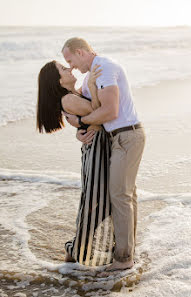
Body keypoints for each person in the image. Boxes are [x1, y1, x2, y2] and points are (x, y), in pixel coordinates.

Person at [61, 37, 145, 273]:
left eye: (70, 60)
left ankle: (124, 257)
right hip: (116, 139)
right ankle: (126, 250)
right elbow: (84, 104)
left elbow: (110, 110)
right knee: (125, 195)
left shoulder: (104, 68)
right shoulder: (90, 76)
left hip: (127, 136)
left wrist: (80, 121)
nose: (71, 66)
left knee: (120, 196)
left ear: (80, 52)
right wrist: (79, 129)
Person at [36, 60, 115, 267]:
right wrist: (95, 84)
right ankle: (78, 248)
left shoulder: (73, 94)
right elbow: (101, 113)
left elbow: (91, 116)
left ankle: (81, 248)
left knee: (97, 199)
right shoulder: (69, 99)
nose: (70, 69)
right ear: (59, 81)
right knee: (97, 200)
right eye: (64, 69)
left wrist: (79, 127)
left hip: (96, 146)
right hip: (97, 147)